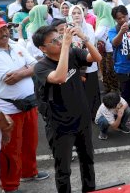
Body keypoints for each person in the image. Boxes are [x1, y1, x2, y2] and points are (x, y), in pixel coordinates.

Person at [0, 16, 49, 192]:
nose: (4, 33)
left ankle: (29, 172)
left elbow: (37, 64)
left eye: (5, 28)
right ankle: (10, 186)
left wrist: (20, 73)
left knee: (30, 142)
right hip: (9, 109)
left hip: (29, 104)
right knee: (10, 150)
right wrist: (27, 70)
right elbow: (9, 80)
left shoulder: (17, 47)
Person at [33, 24, 101, 193]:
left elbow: (97, 57)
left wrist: (84, 38)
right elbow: (60, 76)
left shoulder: (73, 53)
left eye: (59, 37)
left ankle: (90, 189)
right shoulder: (41, 67)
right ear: (43, 48)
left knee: (87, 160)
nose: (59, 41)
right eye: (54, 40)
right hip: (60, 125)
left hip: (81, 118)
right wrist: (65, 46)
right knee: (63, 169)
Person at [70, 4, 101, 119]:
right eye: (74, 13)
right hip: (74, 66)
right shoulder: (68, 28)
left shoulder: (88, 27)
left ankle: (95, 115)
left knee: (91, 91)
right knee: (77, 92)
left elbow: (91, 44)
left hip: (89, 64)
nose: (76, 15)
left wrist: (81, 36)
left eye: (79, 13)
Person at [93, 0, 120, 94]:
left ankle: (112, 89)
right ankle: (110, 88)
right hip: (106, 48)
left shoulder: (104, 20)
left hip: (108, 49)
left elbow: (97, 35)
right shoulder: (103, 18)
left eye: (95, 7)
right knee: (106, 69)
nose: (94, 9)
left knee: (108, 69)